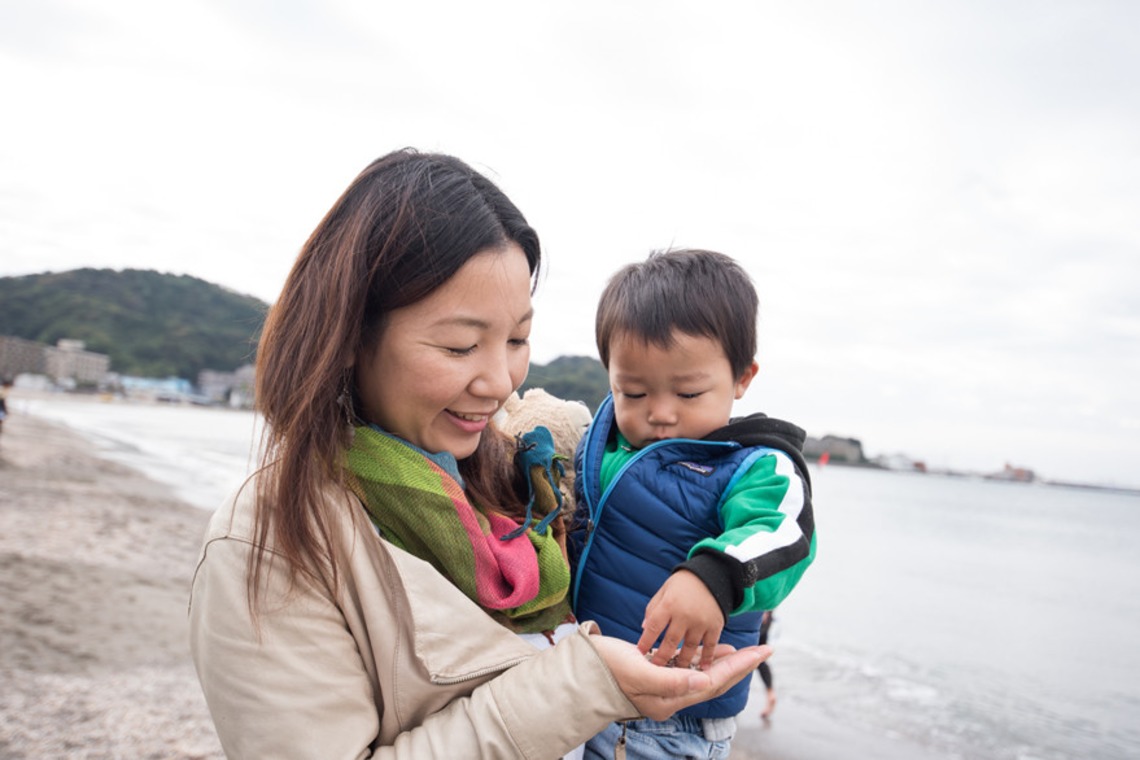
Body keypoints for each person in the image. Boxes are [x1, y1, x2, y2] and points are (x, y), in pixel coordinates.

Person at [187, 150, 768, 759]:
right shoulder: (270, 541)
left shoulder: (530, 475)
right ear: (352, 334)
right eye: (462, 346)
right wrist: (584, 686)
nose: (501, 381)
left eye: (517, 339)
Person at [568, 249, 817, 759]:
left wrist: (713, 576)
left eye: (688, 394)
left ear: (742, 378)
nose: (660, 414)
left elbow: (786, 535)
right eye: (633, 392)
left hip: (670, 719)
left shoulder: (753, 467)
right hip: (581, 684)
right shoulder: (604, 442)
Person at [757, 609, 777, 720]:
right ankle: (770, 693)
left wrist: (763, 611)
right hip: (766, 612)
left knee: (748, 655)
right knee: (761, 658)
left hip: (759, 613)